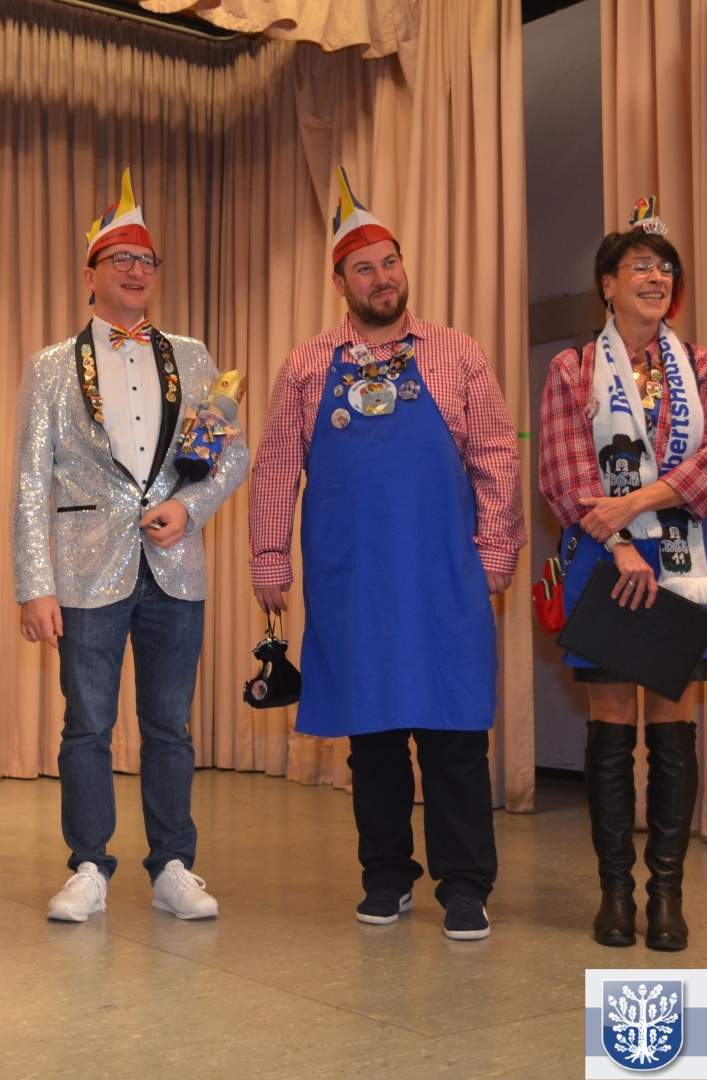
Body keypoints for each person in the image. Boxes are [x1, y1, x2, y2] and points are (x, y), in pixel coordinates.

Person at [247, 168, 524, 941]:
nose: (381, 278)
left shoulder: (457, 353)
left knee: (453, 735)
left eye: (390, 262)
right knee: (370, 739)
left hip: (444, 576)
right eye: (363, 268)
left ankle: (463, 884)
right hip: (353, 579)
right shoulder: (306, 364)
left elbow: (496, 456)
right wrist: (268, 556)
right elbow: (275, 467)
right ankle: (385, 875)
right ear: (340, 283)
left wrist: (494, 552)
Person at [13, 169, 248, 923]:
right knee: (86, 724)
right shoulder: (51, 366)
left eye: (146, 260)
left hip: (175, 567)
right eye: (121, 259)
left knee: (170, 725)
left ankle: (174, 864)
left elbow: (230, 455)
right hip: (85, 568)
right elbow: (31, 478)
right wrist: (34, 583)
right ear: (90, 274)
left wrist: (189, 507)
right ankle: (88, 865)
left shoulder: (193, 355)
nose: (136, 270)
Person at [539, 198, 707, 952]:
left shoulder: (704, 367)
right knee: (613, 729)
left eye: (665, 269)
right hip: (606, 560)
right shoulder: (572, 368)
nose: (656, 278)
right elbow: (563, 473)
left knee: (673, 730)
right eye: (640, 267)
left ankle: (666, 897)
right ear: (607, 284)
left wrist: (634, 506)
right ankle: (616, 894)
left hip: (681, 559)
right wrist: (619, 539)